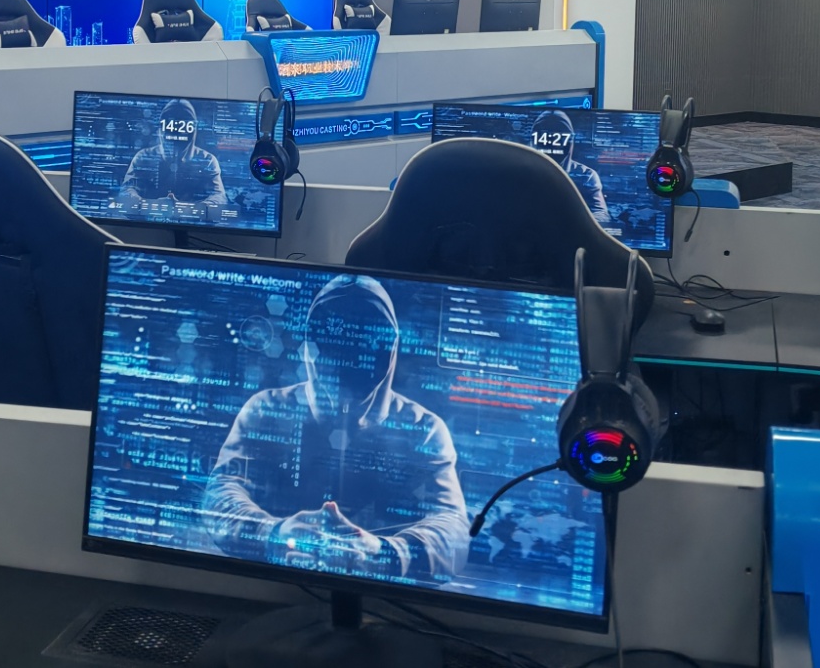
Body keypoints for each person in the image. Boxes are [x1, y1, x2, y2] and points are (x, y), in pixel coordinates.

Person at [204, 274, 469, 580]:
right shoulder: (266, 409)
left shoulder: (423, 429)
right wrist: (272, 534)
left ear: (391, 346)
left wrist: (384, 554)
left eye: (367, 337)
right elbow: (221, 493)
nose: (349, 355)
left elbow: (452, 527)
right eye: (336, 335)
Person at [119, 98, 225, 210]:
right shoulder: (143, 157)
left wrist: (187, 209)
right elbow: (126, 192)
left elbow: (219, 198)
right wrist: (152, 206)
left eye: (182, 124)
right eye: (171, 124)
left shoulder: (207, 160)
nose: (176, 131)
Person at [532, 111, 608, 222]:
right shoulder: (521, 172)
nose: (551, 142)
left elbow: (601, 214)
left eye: (559, 135)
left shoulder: (586, 175)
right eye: (546, 135)